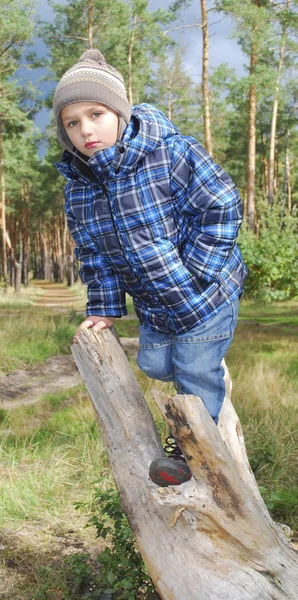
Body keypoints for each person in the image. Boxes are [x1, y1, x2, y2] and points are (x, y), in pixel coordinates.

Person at [53, 49, 247, 487]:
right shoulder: (80, 190)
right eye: (72, 122)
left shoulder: (170, 154)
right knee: (158, 365)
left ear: (119, 112)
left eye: (96, 114)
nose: (85, 129)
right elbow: (94, 255)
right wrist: (103, 307)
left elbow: (222, 206)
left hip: (206, 296)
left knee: (194, 372)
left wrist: (198, 270)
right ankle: (203, 380)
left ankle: (193, 455)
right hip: (156, 307)